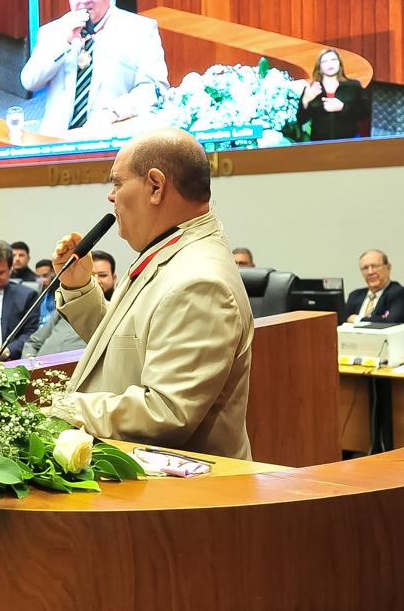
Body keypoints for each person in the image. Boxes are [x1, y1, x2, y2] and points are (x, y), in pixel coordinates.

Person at [50, 128, 254, 459]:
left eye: (117, 183)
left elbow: (166, 410)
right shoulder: (172, 248)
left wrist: (60, 407)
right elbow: (128, 345)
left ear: (156, 187)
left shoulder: (199, 281)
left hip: (178, 486)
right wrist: (79, 287)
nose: (111, 196)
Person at [20, 0, 168, 138]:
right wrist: (63, 41)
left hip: (110, 137)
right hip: (57, 140)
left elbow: (155, 88)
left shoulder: (140, 30)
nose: (85, 0)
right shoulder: (53, 31)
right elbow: (30, 82)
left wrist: (113, 112)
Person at [24, 251, 116, 358]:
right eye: (90, 275)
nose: (96, 280)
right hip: (37, 365)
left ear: (114, 278)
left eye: (102, 275)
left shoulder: (116, 311)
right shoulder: (66, 305)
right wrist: (27, 364)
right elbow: (34, 342)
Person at [296, 49, 370, 141]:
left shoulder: (353, 86)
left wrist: (343, 107)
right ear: (320, 68)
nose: (330, 64)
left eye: (333, 60)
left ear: (339, 64)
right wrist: (305, 101)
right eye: (325, 61)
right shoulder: (311, 89)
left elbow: (365, 113)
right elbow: (301, 120)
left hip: (349, 141)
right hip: (320, 143)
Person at [345, 249, 404, 324]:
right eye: (365, 268)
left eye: (375, 266)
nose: (370, 272)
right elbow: (342, 321)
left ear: (388, 267)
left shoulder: (401, 294)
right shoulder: (354, 296)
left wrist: (358, 319)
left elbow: (392, 323)